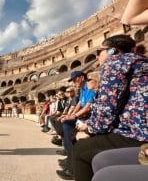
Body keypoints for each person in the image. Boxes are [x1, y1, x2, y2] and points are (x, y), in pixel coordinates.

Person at [58, 34, 148, 181]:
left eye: (99, 52)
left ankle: (72, 168)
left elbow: (106, 111)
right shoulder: (140, 62)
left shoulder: (115, 62)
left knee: (81, 148)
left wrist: (89, 128)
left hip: (139, 133)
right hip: (138, 128)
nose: (97, 56)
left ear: (113, 51)